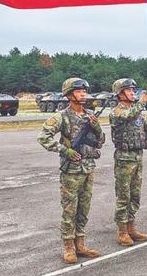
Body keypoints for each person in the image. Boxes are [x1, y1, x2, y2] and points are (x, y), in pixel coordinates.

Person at [37, 77, 104, 263]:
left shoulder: (90, 115)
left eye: (84, 91)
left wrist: (97, 129)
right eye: (78, 91)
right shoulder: (61, 116)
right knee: (69, 209)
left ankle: (80, 243)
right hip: (71, 171)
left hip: (88, 168)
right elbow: (43, 137)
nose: (83, 94)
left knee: (84, 208)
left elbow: (100, 142)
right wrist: (64, 150)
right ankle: (68, 246)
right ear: (69, 94)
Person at [109, 78, 147, 246]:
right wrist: (145, 96)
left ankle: (131, 226)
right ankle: (122, 231)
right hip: (124, 158)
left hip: (137, 157)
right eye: (129, 90)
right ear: (120, 94)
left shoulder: (137, 113)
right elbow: (131, 115)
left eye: (133, 90)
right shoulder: (117, 112)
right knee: (124, 196)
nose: (132, 93)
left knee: (135, 195)